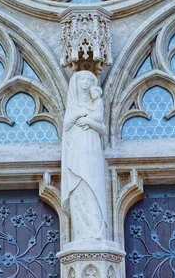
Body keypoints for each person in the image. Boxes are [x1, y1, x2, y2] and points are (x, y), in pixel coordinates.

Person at [61, 70, 107, 242]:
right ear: (76, 82)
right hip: (75, 153)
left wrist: (88, 121)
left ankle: (97, 231)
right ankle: (83, 233)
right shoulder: (72, 106)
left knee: (93, 187)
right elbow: (66, 125)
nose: (86, 82)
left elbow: (102, 128)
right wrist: (81, 115)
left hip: (93, 152)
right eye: (83, 79)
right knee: (79, 189)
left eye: (90, 79)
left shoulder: (97, 104)